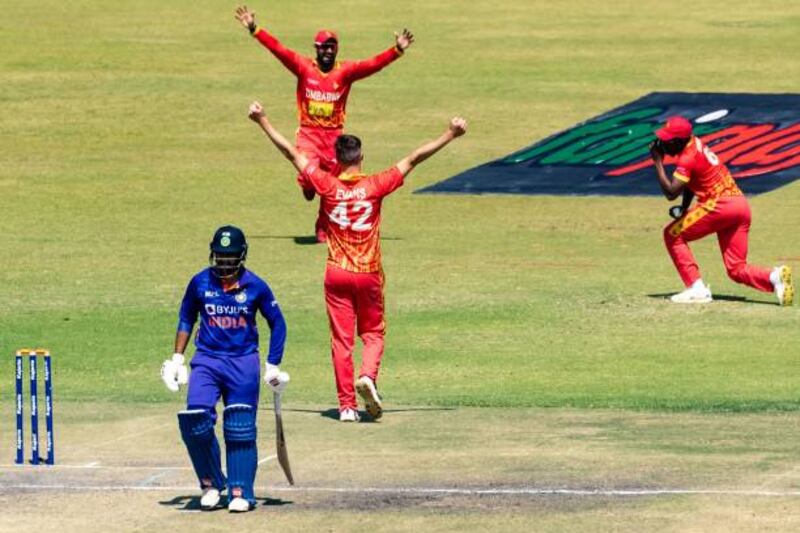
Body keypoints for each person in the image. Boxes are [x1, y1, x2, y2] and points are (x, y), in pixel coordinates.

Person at [246, 99, 466, 421]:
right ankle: (368, 375)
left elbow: (292, 154)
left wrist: (262, 120)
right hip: (368, 273)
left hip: (336, 273)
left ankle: (347, 406)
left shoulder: (327, 184)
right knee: (374, 332)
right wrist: (450, 134)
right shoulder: (375, 185)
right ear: (361, 158)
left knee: (341, 340)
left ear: (335, 159)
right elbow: (414, 158)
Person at [234, 5, 414, 243]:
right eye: (323, 47)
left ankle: (322, 226)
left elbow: (373, 64)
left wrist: (397, 50)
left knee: (332, 187)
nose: (327, 51)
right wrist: (254, 29)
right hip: (309, 134)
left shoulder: (346, 72)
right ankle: (306, 183)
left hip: (334, 138)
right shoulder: (303, 66)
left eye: (331, 47)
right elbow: (279, 50)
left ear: (336, 49)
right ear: (316, 49)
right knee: (311, 180)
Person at [160, 225, 289, 512]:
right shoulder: (199, 283)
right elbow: (186, 317)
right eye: (220, 256)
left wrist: (272, 364)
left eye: (230, 257)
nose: (225, 262)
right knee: (194, 420)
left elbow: (278, 323)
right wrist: (177, 359)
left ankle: (241, 490)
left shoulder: (256, 286)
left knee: (239, 426)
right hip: (207, 359)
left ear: (241, 256)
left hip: (243, 362)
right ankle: (212, 484)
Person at [649, 116, 794, 305]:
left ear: (678, 141)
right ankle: (774, 277)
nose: (662, 144)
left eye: (667, 141)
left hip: (720, 205)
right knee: (736, 269)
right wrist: (684, 208)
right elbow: (692, 183)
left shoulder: (687, 157)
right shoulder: (695, 144)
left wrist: (657, 162)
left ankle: (697, 288)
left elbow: (670, 192)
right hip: (740, 206)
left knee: (672, 235)